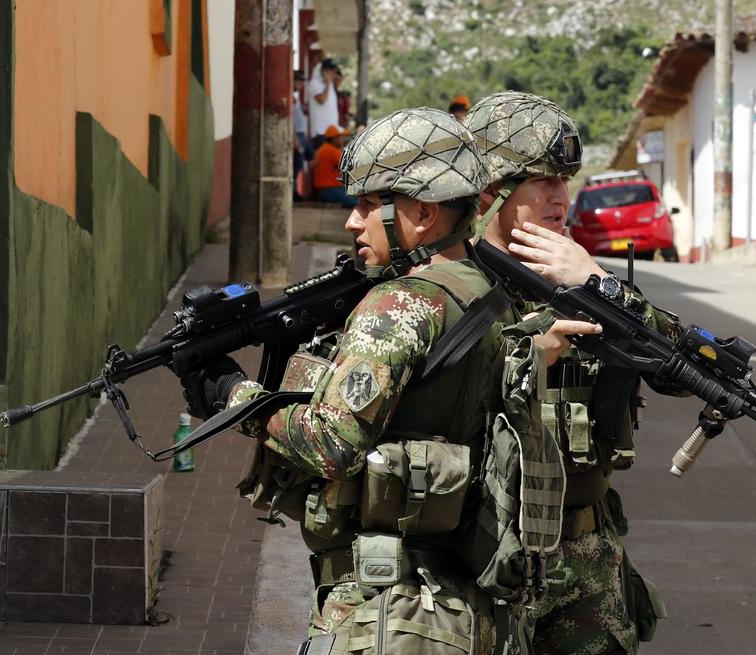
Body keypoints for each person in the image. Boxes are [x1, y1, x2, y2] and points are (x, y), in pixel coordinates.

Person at [182, 107, 578, 654]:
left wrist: (231, 393)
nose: (353, 222)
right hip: (465, 608)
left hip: (390, 611)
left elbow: (331, 442)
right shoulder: (489, 292)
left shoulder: (401, 302)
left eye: (369, 205)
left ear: (423, 212)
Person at [465, 91, 682, 655]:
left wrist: (600, 286)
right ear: (491, 190)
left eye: (566, 180)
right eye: (543, 181)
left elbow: (676, 366)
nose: (562, 197)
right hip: (485, 558)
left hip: (587, 560)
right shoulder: (453, 283)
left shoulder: (584, 279)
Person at [312, 125, 357, 208]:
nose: (343, 140)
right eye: (341, 137)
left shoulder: (321, 149)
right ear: (334, 138)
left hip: (322, 191)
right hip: (330, 190)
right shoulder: (333, 151)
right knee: (357, 202)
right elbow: (350, 168)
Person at [308, 59, 340, 151]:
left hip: (331, 130)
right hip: (320, 131)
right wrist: (327, 84)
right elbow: (322, 100)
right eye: (332, 70)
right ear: (324, 71)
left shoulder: (330, 85)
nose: (334, 73)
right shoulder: (314, 83)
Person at [293, 70, 312, 198]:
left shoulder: (295, 98)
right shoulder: (290, 97)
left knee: (307, 159)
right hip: (297, 136)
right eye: (298, 82)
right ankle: (293, 191)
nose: (300, 85)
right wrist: (295, 139)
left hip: (302, 135)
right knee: (296, 164)